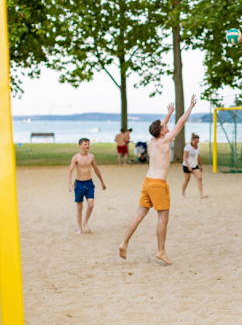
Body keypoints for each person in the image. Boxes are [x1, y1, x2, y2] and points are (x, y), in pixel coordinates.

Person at [119, 95, 197, 265]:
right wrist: (190, 107)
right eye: (164, 126)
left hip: (147, 181)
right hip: (158, 184)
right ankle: (161, 252)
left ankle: (124, 243)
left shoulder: (152, 141)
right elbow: (180, 123)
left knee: (139, 214)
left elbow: (161, 126)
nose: (166, 126)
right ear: (162, 131)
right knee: (163, 218)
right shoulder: (165, 140)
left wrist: (168, 113)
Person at [67, 138, 106, 234]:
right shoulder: (76, 157)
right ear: (80, 145)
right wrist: (69, 184)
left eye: (88, 144)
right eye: (85, 144)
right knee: (79, 208)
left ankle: (85, 222)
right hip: (79, 184)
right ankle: (79, 228)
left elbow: (96, 169)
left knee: (91, 204)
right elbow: (70, 170)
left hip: (89, 183)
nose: (87, 146)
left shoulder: (91, 157)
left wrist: (102, 182)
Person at [182, 133, 208, 198]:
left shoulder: (198, 147)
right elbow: (184, 157)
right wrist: (188, 166)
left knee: (199, 178)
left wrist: (201, 166)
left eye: (198, 141)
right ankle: (183, 193)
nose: (197, 143)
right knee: (187, 180)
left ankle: (202, 194)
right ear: (192, 140)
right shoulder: (187, 147)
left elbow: (198, 157)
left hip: (195, 165)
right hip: (187, 165)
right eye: (196, 141)